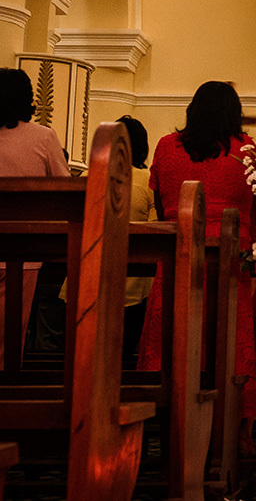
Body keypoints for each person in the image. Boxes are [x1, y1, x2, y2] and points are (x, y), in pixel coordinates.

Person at [137, 81, 256, 455]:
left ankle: (164, 426)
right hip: (231, 264)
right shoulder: (247, 150)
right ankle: (237, 436)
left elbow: (161, 204)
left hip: (178, 257)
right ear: (233, 113)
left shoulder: (165, 147)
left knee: (173, 341)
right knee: (232, 348)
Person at [0, 68, 70, 370]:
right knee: (4, 352)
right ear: (26, 100)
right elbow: (65, 193)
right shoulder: (43, 138)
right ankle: (0, 410)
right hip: (21, 253)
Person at [58, 115, 154, 361]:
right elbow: (155, 229)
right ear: (141, 147)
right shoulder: (148, 182)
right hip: (130, 282)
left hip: (84, 278)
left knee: (81, 356)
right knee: (120, 358)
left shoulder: (87, 177)